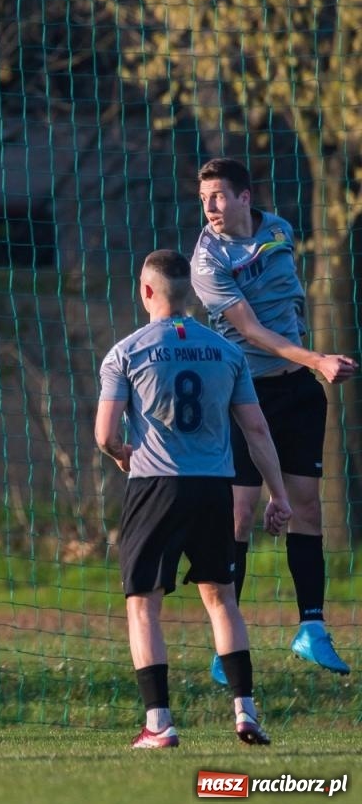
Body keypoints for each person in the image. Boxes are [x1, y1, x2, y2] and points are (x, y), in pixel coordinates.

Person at [96, 249, 291, 748]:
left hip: (155, 485)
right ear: (192, 293)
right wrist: (279, 495)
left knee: (143, 605)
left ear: (145, 291)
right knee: (222, 599)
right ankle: (245, 712)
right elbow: (257, 429)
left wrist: (120, 453)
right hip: (214, 486)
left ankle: (158, 723)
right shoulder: (227, 352)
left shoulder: (127, 352)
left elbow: (104, 434)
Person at [191, 157, 354, 677]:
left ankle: (311, 627)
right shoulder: (206, 262)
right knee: (239, 514)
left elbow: (289, 305)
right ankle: (227, 644)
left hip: (296, 391)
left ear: (245, 196)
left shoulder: (278, 229)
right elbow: (255, 331)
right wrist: (319, 360)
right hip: (242, 392)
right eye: (203, 199)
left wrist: (308, 364)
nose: (210, 208)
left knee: (307, 507)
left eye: (218, 196)